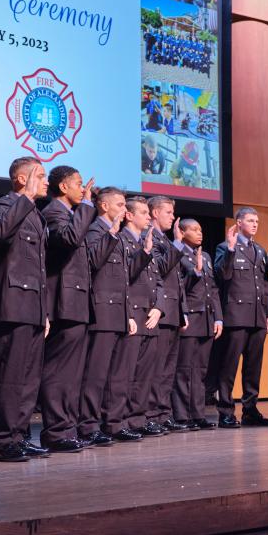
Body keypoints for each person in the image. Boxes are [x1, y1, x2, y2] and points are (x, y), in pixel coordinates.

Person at [0, 157, 50, 462]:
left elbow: (38, 268)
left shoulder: (36, 215)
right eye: (40, 175)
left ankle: (19, 436)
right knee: (10, 377)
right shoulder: (5, 204)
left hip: (34, 307)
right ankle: (1, 442)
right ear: (22, 180)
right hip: (12, 305)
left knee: (28, 378)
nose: (46, 181)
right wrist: (24, 199)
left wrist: (44, 311)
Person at [40, 165, 97, 452]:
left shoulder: (72, 214)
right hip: (62, 303)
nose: (83, 189)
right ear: (63, 187)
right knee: (59, 371)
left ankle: (67, 428)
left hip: (76, 303)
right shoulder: (53, 212)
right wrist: (87, 205)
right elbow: (69, 239)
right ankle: (56, 431)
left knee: (72, 374)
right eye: (78, 184)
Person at [212, 207, 268, 428]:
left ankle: (250, 410)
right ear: (239, 223)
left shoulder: (259, 249)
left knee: (253, 367)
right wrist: (230, 249)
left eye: (257, 221)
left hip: (258, 316)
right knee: (229, 366)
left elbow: (266, 285)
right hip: (236, 316)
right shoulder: (225, 246)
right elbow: (222, 275)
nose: (255, 224)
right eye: (250, 220)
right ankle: (226, 411)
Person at [77, 187, 129, 446]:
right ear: (105, 206)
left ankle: (108, 423)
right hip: (101, 311)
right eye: (120, 204)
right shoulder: (96, 229)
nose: (124, 209)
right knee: (95, 375)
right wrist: (112, 233)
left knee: (111, 375)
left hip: (116, 312)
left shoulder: (116, 234)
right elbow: (94, 262)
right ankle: (87, 426)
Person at [108, 196, 163, 439]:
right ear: (129, 215)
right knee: (123, 374)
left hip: (150, 316)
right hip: (133, 315)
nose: (149, 217)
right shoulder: (121, 241)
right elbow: (122, 280)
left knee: (144, 375)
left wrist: (160, 307)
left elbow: (159, 281)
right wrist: (128, 314)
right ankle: (115, 422)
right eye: (143, 212)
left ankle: (137, 419)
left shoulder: (145, 241)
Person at [173, 218, 222, 429]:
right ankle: (182, 415)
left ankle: (198, 414)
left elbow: (213, 290)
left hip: (206, 319)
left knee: (200, 370)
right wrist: (196, 272)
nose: (199, 233)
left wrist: (218, 317)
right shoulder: (178, 253)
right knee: (184, 369)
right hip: (189, 317)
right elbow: (179, 287)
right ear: (182, 233)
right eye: (194, 229)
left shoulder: (207, 256)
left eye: (200, 229)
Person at [147, 196, 187, 432]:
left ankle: (163, 413)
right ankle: (151, 413)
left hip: (173, 311)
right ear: (154, 213)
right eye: (169, 212)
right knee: (156, 367)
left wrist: (183, 311)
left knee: (167, 369)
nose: (173, 218)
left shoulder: (166, 239)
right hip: (158, 311)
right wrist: (178, 244)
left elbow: (176, 281)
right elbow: (160, 269)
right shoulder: (150, 238)